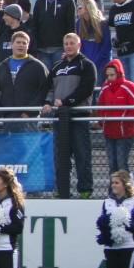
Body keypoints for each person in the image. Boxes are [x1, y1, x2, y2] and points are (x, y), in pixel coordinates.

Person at [43, 33, 97, 198]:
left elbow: (86, 89)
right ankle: (62, 190)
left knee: (82, 154)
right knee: (61, 156)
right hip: (60, 117)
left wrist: (67, 101)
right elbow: (49, 88)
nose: (68, 46)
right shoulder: (57, 66)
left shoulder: (86, 65)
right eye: (66, 43)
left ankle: (85, 190)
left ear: (79, 45)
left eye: (72, 43)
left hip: (79, 115)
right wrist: (47, 102)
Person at [97, 59, 134, 174]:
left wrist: (125, 121)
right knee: (113, 164)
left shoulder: (129, 86)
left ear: (119, 73)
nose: (109, 78)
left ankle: (127, 191)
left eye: (112, 75)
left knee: (122, 164)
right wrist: (104, 121)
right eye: (107, 75)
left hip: (125, 133)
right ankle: (114, 190)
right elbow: (100, 107)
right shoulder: (105, 88)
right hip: (109, 132)